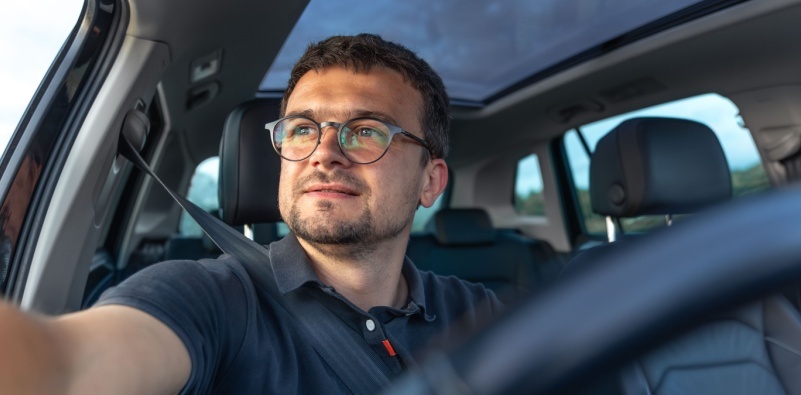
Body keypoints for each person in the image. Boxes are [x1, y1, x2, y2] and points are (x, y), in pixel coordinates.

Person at [0, 34, 502, 394]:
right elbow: (67, 370)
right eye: (303, 128)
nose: (324, 153)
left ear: (430, 181)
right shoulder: (207, 299)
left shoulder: (482, 314)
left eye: (368, 129)